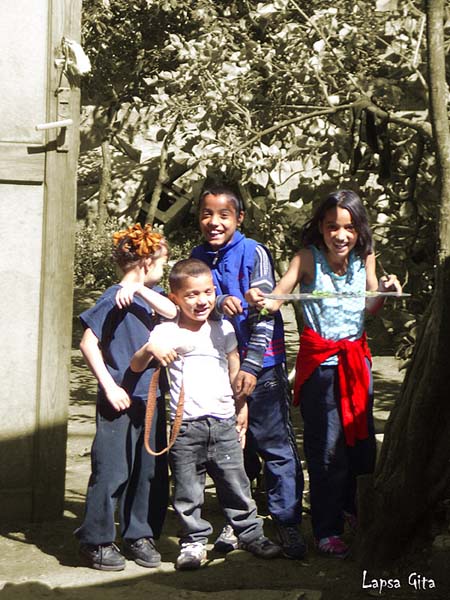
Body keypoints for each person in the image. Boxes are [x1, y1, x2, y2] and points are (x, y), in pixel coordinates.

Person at [246, 189, 402, 558]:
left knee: (360, 444)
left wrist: (385, 289)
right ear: (320, 227)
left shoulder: (366, 257)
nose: (341, 235)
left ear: (359, 229)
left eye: (348, 227)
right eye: (332, 227)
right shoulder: (306, 258)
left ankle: (353, 511)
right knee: (326, 448)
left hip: (357, 364)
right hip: (321, 369)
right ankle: (326, 528)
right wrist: (259, 299)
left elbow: (371, 307)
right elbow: (277, 298)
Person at [130, 258, 281, 570]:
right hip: (185, 428)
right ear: (174, 299)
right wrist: (150, 350)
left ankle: (250, 533)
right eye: (192, 295)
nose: (202, 301)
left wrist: (241, 405)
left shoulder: (222, 327)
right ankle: (193, 542)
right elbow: (136, 365)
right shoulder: (166, 331)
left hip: (224, 421)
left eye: (208, 292)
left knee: (236, 483)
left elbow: (233, 364)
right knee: (187, 490)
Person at [191, 183, 306, 560]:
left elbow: (265, 312)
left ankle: (287, 520)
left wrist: (253, 366)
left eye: (224, 214)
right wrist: (220, 300)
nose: (214, 222)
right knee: (230, 450)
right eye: (207, 213)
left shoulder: (254, 253)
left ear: (239, 218)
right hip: (218, 370)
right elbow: (192, 303)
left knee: (275, 446)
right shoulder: (197, 256)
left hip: (263, 367)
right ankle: (239, 521)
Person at [75, 223, 177, 571]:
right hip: (120, 399)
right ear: (147, 261)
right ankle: (97, 540)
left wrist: (137, 288)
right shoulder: (111, 298)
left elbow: (173, 312)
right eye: (162, 261)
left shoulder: (149, 295)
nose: (164, 267)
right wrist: (109, 386)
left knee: (147, 470)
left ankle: (139, 534)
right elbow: (88, 343)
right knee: (112, 471)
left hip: (149, 398)